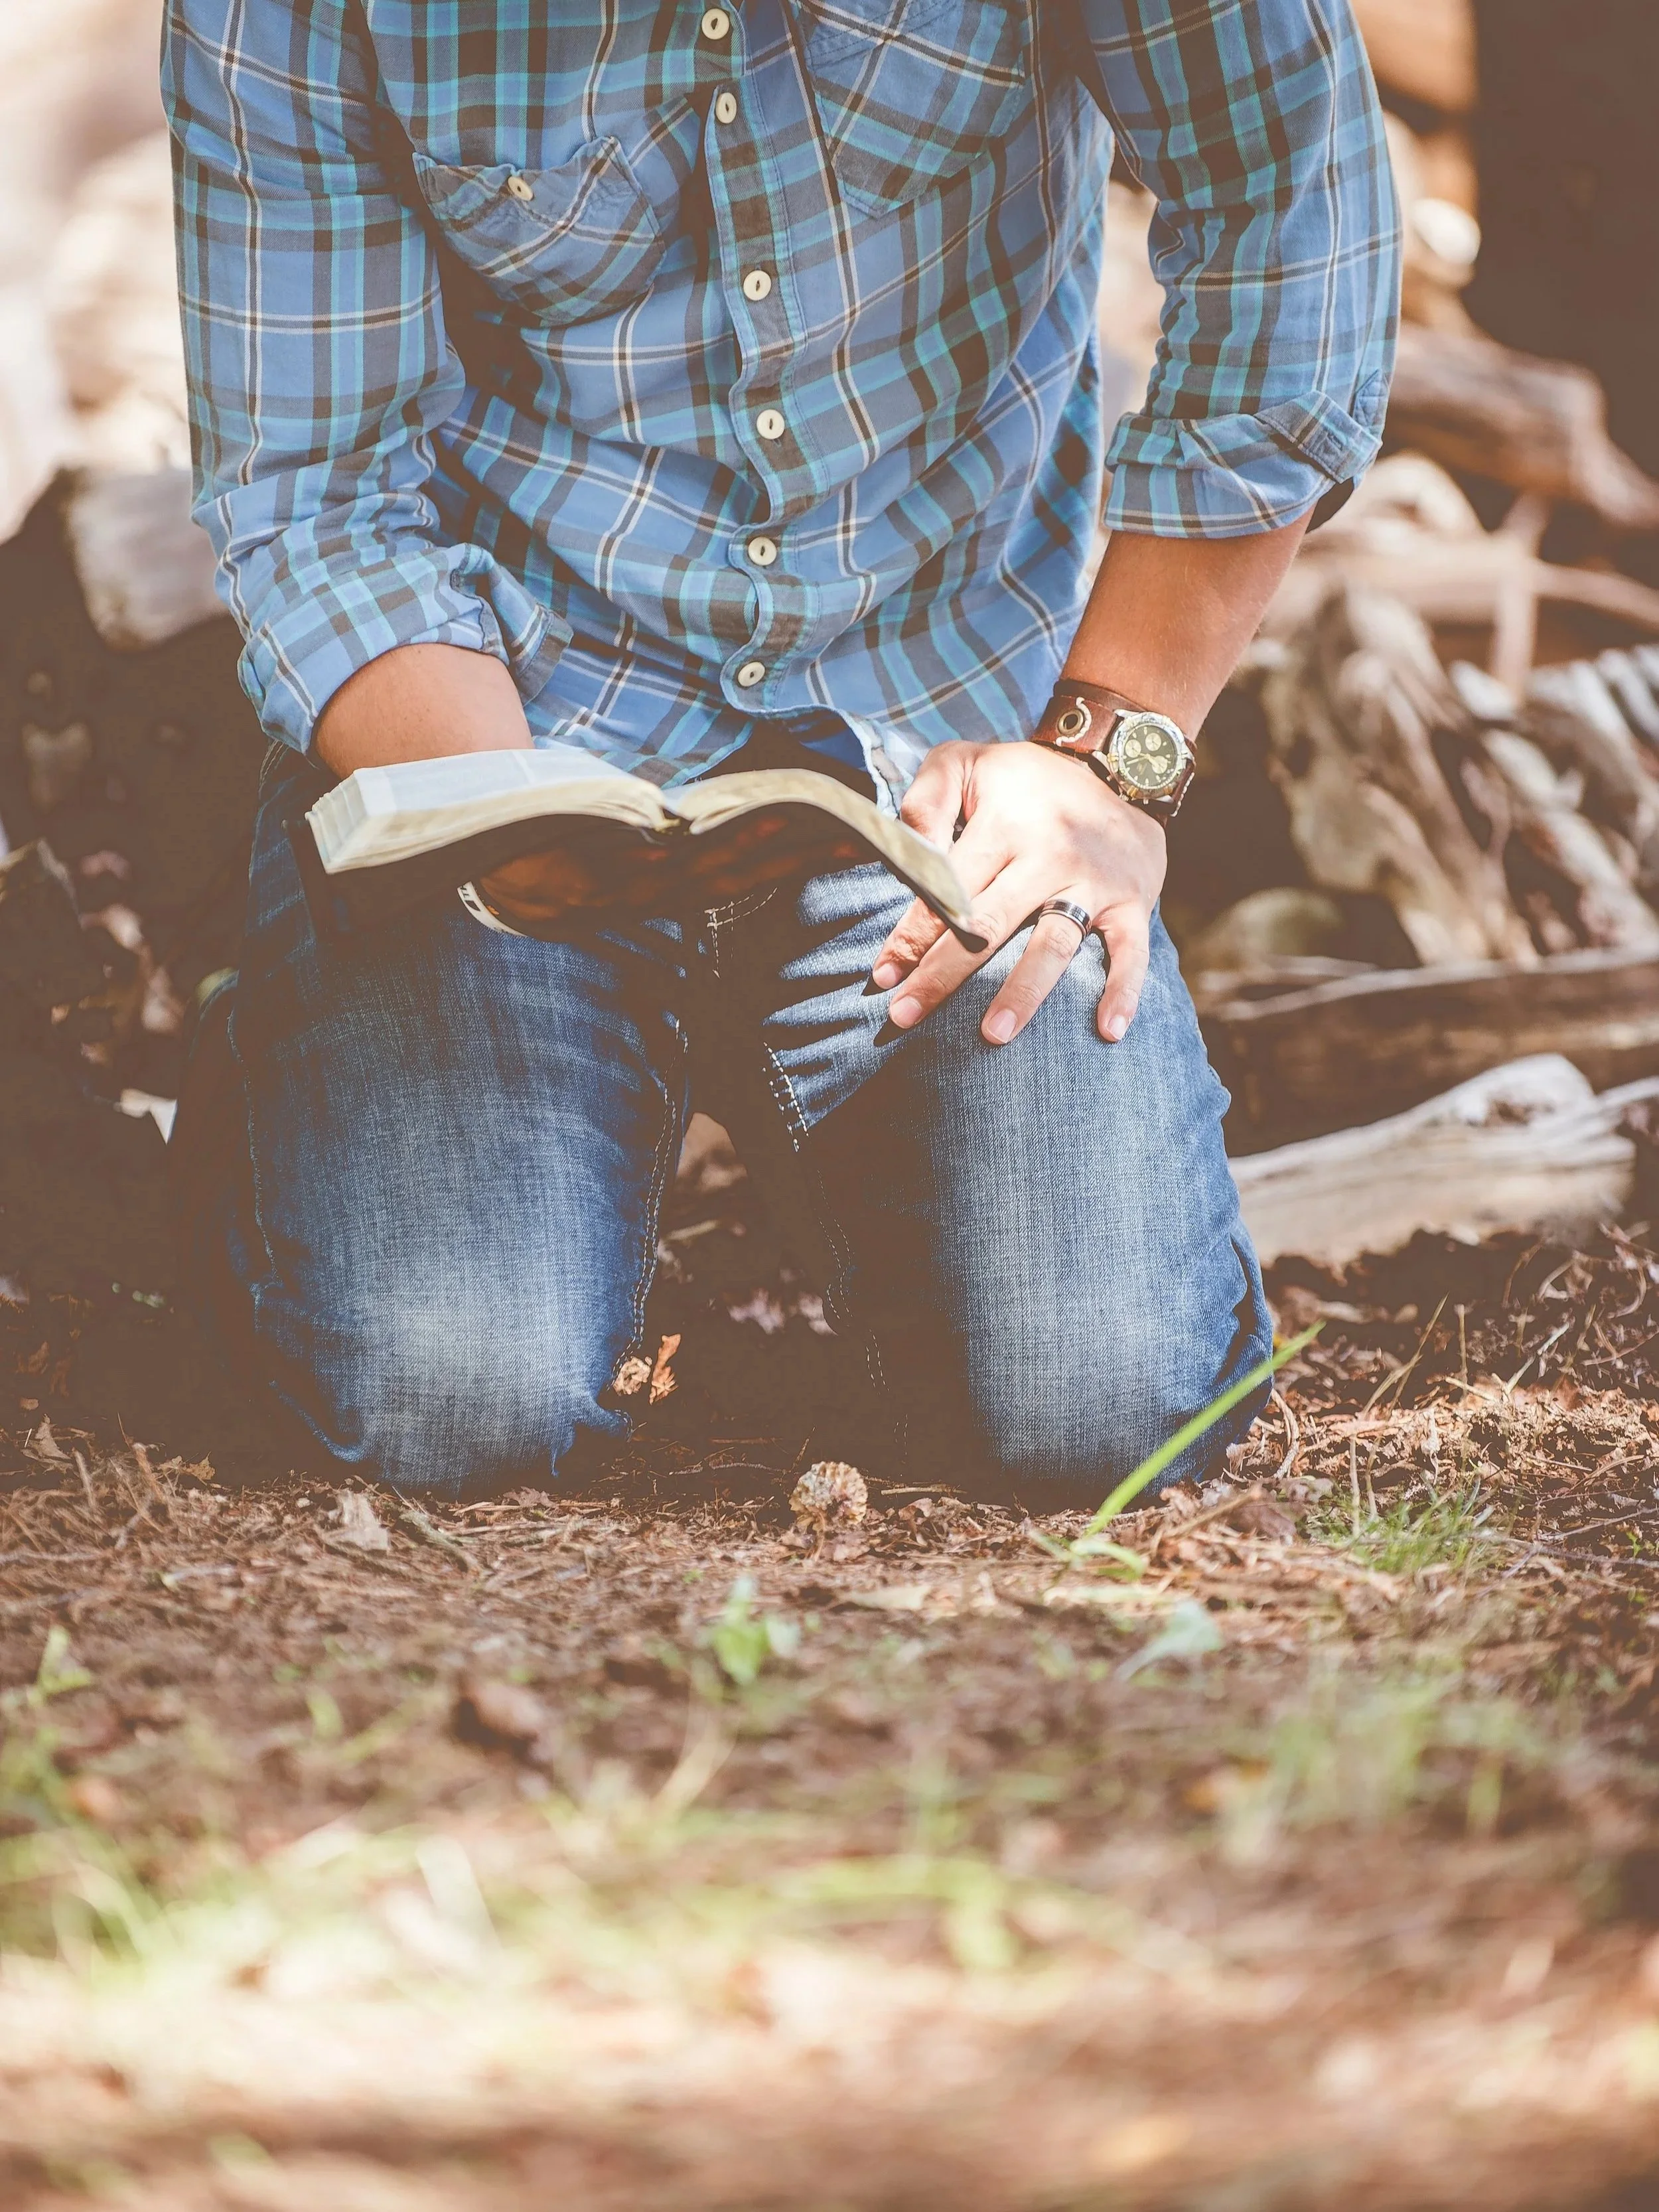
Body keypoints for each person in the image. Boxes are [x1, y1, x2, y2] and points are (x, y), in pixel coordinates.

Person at [163, 0, 1398, 1501]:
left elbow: (1288, 204)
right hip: (503, 727)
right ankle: (289, 1099)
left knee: (1101, 1409)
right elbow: (318, 485)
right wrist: (495, 811)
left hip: (946, 756)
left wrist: (1100, 759)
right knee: (443, 1396)